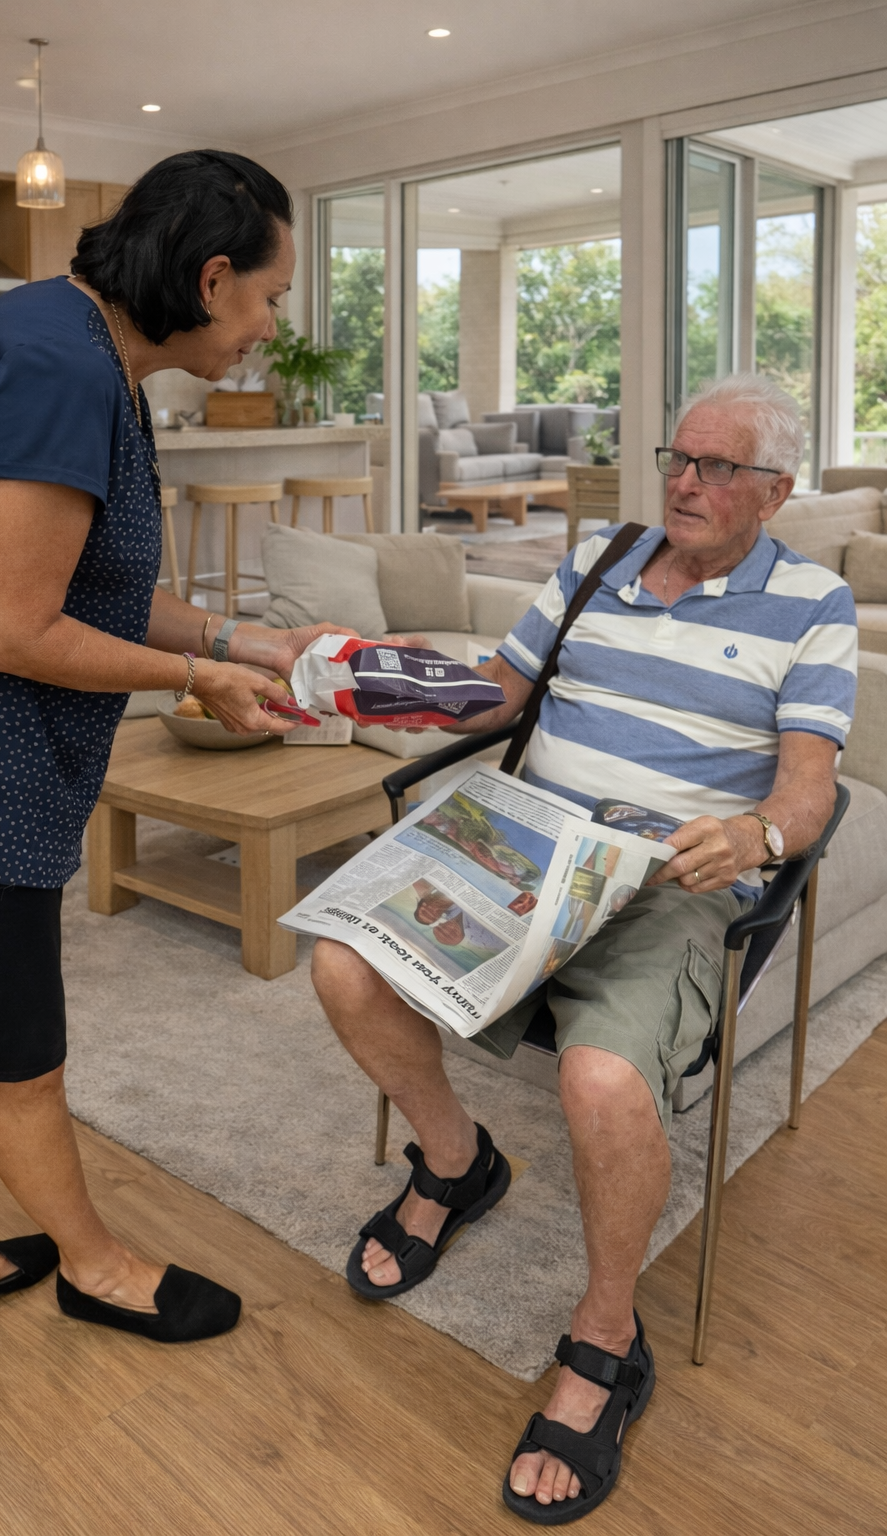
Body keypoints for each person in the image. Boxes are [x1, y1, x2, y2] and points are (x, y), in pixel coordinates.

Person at [311, 374, 857, 1523]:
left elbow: (808, 790)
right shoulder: (603, 559)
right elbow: (498, 694)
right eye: (678, 458)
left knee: (600, 1074)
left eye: (718, 469)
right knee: (341, 959)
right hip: (527, 849)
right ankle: (457, 1163)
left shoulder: (811, 603)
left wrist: (753, 832)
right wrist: (378, 674)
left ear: (776, 490)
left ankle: (605, 1334)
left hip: (667, 884)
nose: (685, 483)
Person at [0, 149, 338, 1345]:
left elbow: (97, 589)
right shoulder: (51, 366)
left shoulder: (90, 357)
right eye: (272, 298)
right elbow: (14, 627)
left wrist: (244, 639)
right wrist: (198, 675)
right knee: (16, 1047)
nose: (271, 328)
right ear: (214, 276)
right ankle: (97, 1266)